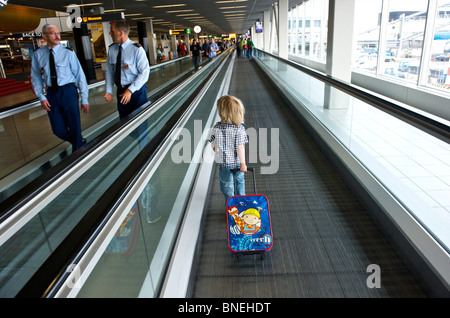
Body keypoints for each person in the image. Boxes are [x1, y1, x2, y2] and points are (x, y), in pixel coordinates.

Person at [30, 24, 89, 153]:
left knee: (74, 125)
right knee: (58, 129)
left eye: (58, 33)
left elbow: (80, 75)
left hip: (68, 91)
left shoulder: (68, 53)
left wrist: (85, 99)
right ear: (45, 36)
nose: (57, 36)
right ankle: (78, 141)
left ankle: (77, 155)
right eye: (53, 33)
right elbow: (36, 77)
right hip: (51, 93)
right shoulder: (38, 54)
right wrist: (41, 96)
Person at [104, 18, 150, 120]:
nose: (110, 33)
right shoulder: (112, 49)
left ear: (121, 33)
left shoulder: (137, 49)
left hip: (136, 91)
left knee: (140, 123)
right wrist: (108, 90)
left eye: (112, 31)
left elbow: (145, 73)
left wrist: (130, 90)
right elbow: (110, 72)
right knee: (124, 123)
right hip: (121, 91)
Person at [208, 95, 248, 201]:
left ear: (222, 112)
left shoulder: (216, 127)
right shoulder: (239, 128)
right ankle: (241, 202)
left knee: (226, 184)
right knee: (240, 181)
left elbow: (212, 143)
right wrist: (243, 164)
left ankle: (230, 204)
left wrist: (217, 151)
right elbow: (240, 147)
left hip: (224, 163)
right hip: (238, 163)